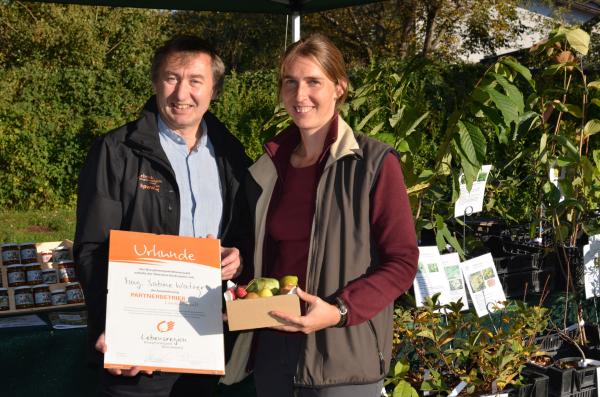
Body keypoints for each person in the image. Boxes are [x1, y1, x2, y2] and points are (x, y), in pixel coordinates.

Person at [229, 33, 419, 397]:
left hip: (341, 355)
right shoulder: (267, 170)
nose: (300, 96)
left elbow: (402, 261)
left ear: (340, 88)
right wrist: (238, 273)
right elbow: (256, 251)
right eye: (291, 83)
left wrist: (339, 310)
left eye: (313, 82)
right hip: (274, 347)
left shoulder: (374, 164)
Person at [74, 35, 251, 397]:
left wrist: (240, 257)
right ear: (156, 83)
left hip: (206, 341)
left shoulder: (232, 155)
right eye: (172, 78)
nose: (181, 93)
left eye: (195, 81)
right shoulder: (116, 152)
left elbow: (245, 234)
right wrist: (112, 326)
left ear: (213, 90)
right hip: (139, 353)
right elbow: (92, 248)